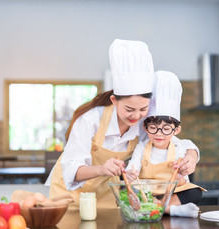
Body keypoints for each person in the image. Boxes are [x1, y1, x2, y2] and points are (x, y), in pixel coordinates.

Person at [46, 39, 199, 209]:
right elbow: (71, 169)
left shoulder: (144, 123)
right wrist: (102, 169)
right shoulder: (90, 120)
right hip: (69, 195)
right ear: (114, 101)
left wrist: (191, 157)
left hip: (105, 195)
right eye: (129, 109)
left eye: (143, 109)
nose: (136, 116)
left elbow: (175, 141)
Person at [126, 70, 205, 218]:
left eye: (166, 129)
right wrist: (131, 173)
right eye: (153, 128)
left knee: (194, 192)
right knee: (130, 191)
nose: (159, 134)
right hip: (147, 193)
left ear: (176, 130)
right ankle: (171, 210)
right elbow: (132, 168)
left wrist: (179, 178)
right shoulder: (142, 146)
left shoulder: (180, 147)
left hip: (170, 195)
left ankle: (155, 208)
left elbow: (183, 181)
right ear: (145, 127)